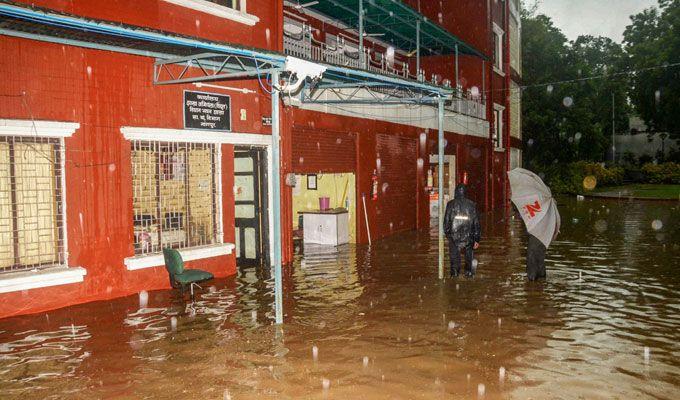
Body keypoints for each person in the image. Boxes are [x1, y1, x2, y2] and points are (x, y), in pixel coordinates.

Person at [444, 184, 481, 277]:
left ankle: (454, 277)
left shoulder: (450, 204)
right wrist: (476, 239)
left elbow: (446, 222)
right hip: (469, 236)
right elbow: (476, 223)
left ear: (456, 192)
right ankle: (468, 275)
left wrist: (449, 235)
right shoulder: (471, 205)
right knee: (469, 259)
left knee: (454, 260)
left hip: (454, 236)